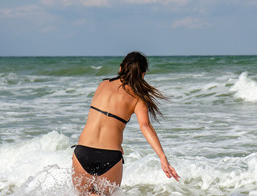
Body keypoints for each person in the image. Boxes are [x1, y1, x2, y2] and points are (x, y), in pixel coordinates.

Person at [72, 51, 180, 195]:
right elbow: (145, 126)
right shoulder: (138, 98)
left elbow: (101, 118)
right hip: (109, 156)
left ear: (121, 68)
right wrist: (162, 157)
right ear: (142, 74)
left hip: (83, 151)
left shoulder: (103, 85)